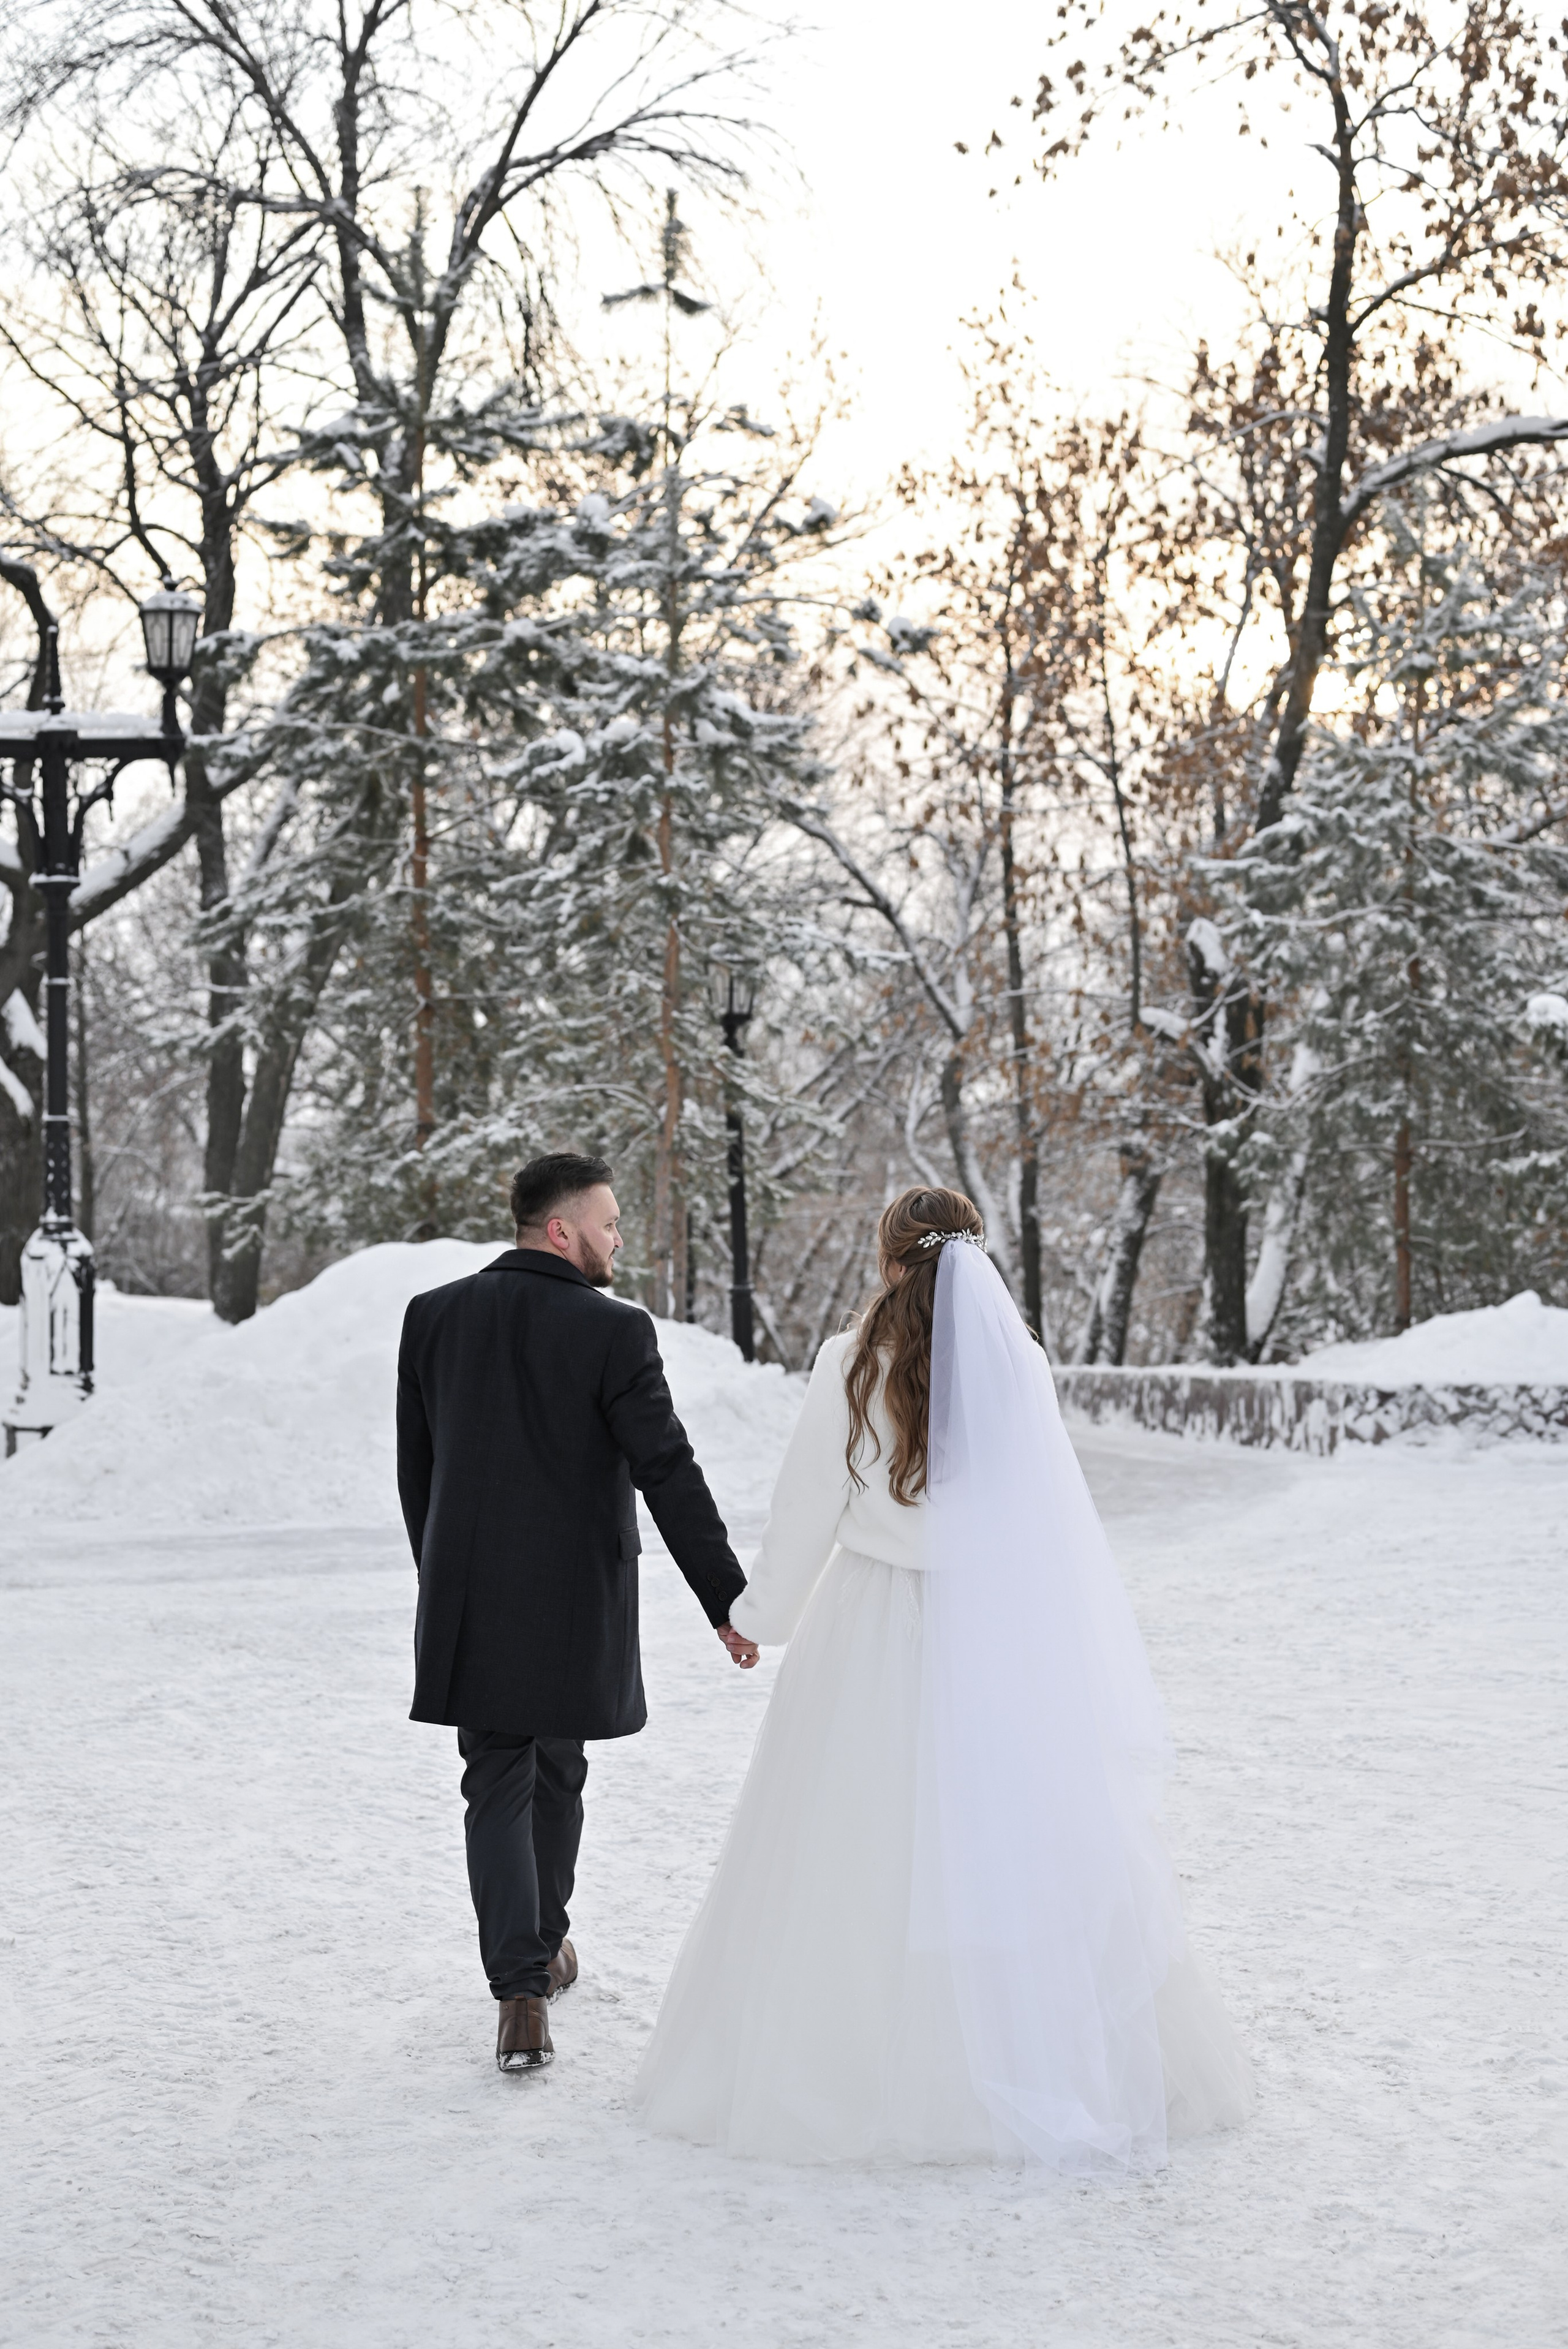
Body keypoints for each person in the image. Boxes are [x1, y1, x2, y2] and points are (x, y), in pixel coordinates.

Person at [635, 1184, 1253, 2169]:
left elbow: (808, 1513)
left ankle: (861, 2076)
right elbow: (1044, 1518)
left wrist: (758, 1618)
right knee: (1007, 1843)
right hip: (994, 1630)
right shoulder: (1021, 1367)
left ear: (890, 1263)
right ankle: (1034, 2057)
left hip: (871, 1625)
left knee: (856, 1846)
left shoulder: (849, 1366)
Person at [396, 1153, 758, 2074]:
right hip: (573, 1602)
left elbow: (419, 1474)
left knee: (500, 1777)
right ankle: (534, 1962)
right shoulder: (615, 1331)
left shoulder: (433, 1317)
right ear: (562, 1231)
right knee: (557, 1770)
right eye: (608, 1221)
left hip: (471, 1593)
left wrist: (441, 1574)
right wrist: (725, 1597)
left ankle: (527, 1979)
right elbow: (666, 1469)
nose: (618, 1237)